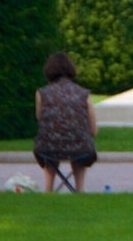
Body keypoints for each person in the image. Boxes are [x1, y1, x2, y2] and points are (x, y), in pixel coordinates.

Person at [34, 52, 97, 193]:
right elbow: (93, 129)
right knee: (80, 149)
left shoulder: (42, 93)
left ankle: (48, 190)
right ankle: (79, 190)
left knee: (50, 150)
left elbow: (40, 119)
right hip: (79, 147)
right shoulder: (84, 94)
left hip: (48, 147)